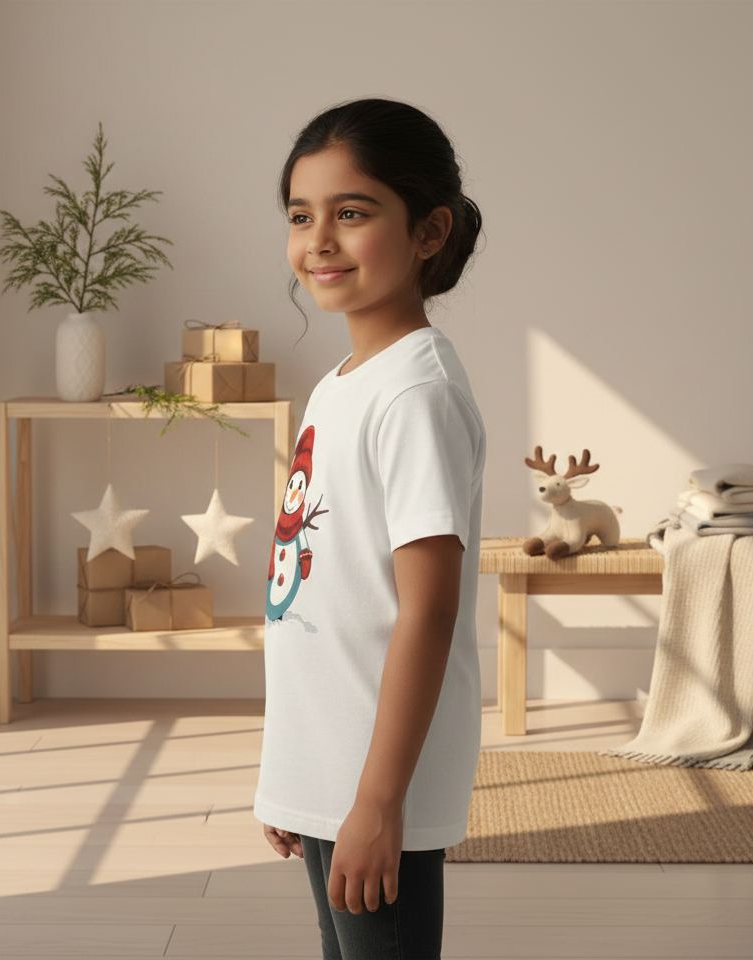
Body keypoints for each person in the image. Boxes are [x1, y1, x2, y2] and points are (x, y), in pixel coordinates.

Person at [253, 97, 486, 960]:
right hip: (329, 764)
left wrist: (378, 803)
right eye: (301, 215)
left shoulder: (416, 397)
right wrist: (294, 776)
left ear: (429, 232)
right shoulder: (344, 380)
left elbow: (427, 612)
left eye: (351, 213)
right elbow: (318, 589)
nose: (319, 239)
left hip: (377, 779)